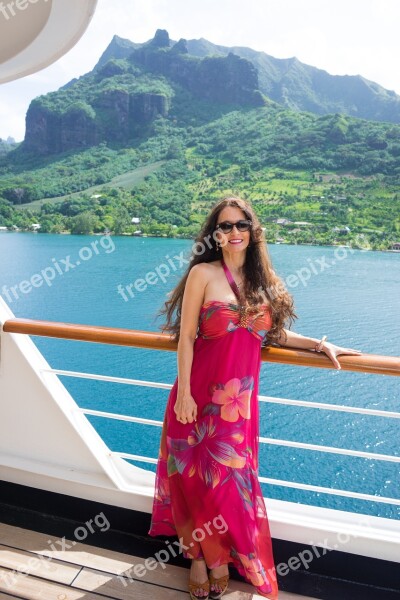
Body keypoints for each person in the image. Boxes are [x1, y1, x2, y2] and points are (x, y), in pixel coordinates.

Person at [148, 196, 362, 599]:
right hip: (196, 396)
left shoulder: (265, 283)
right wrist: (186, 395)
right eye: (224, 226)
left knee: (227, 484)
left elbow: (272, 335)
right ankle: (201, 557)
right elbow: (187, 338)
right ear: (215, 234)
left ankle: (215, 556)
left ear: (253, 230)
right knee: (193, 479)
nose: (233, 233)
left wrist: (319, 345)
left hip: (237, 404)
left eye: (240, 225)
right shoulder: (203, 274)